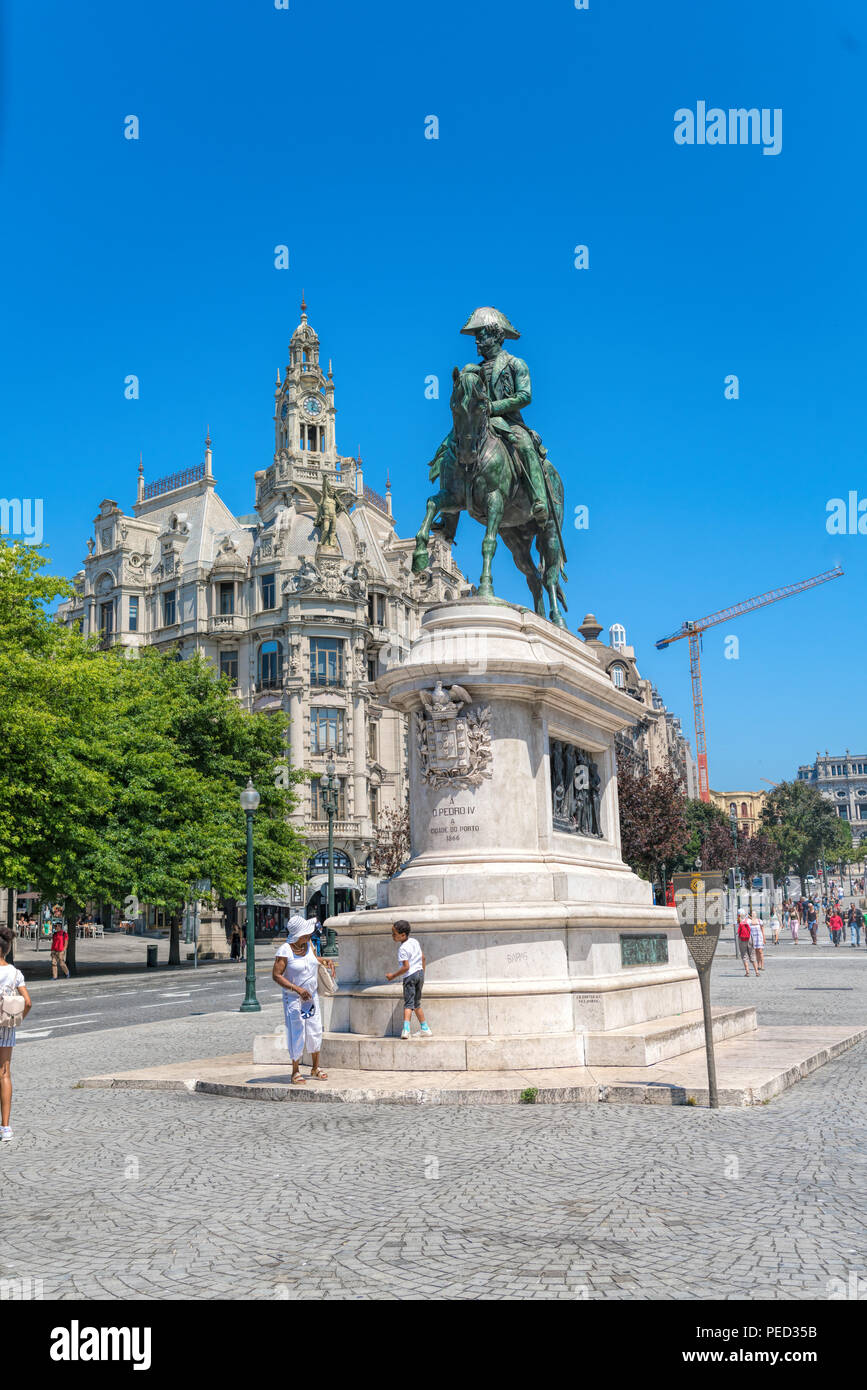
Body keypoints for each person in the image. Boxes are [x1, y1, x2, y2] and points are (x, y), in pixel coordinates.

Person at [272, 915, 333, 1085]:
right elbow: (276, 975)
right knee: (297, 1032)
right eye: (305, 934)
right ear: (297, 935)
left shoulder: (308, 945)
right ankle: (295, 1070)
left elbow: (313, 960)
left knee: (314, 1030)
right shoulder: (285, 950)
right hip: (294, 999)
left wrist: (326, 961)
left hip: (311, 997)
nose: (308, 936)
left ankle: (315, 1067)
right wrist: (297, 989)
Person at [0, 925, 32, 1142]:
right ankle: (5, 1128)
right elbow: (28, 1002)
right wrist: (17, 1019)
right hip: (5, 1027)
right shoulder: (15, 973)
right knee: (4, 1074)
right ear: (8, 948)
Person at [386, 921, 432, 1037]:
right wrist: (422, 974)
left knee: (408, 1004)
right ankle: (425, 1028)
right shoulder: (414, 942)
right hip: (420, 973)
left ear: (403, 935)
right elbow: (423, 958)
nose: (392, 936)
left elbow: (406, 967)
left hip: (410, 976)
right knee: (416, 1004)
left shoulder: (402, 949)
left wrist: (393, 976)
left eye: (394, 934)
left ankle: (406, 1030)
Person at [737, 913, 759, 978]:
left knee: (744, 955)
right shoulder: (748, 921)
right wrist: (749, 917)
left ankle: (747, 972)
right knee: (752, 954)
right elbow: (756, 922)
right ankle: (757, 972)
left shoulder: (738, 922)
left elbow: (737, 931)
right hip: (749, 938)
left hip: (741, 939)